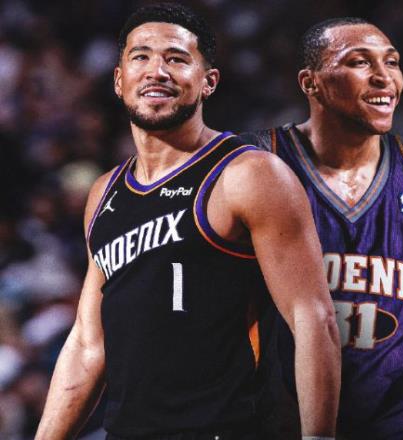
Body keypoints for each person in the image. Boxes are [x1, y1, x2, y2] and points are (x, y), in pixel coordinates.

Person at [35, 4, 341, 440]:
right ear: (120, 80)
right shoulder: (105, 192)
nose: (156, 71)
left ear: (208, 81)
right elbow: (88, 343)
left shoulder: (249, 174)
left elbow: (313, 318)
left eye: (176, 59)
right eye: (141, 56)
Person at [242, 17, 403, 440]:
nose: (384, 77)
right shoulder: (254, 164)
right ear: (310, 83)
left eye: (392, 62)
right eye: (360, 62)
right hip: (281, 424)